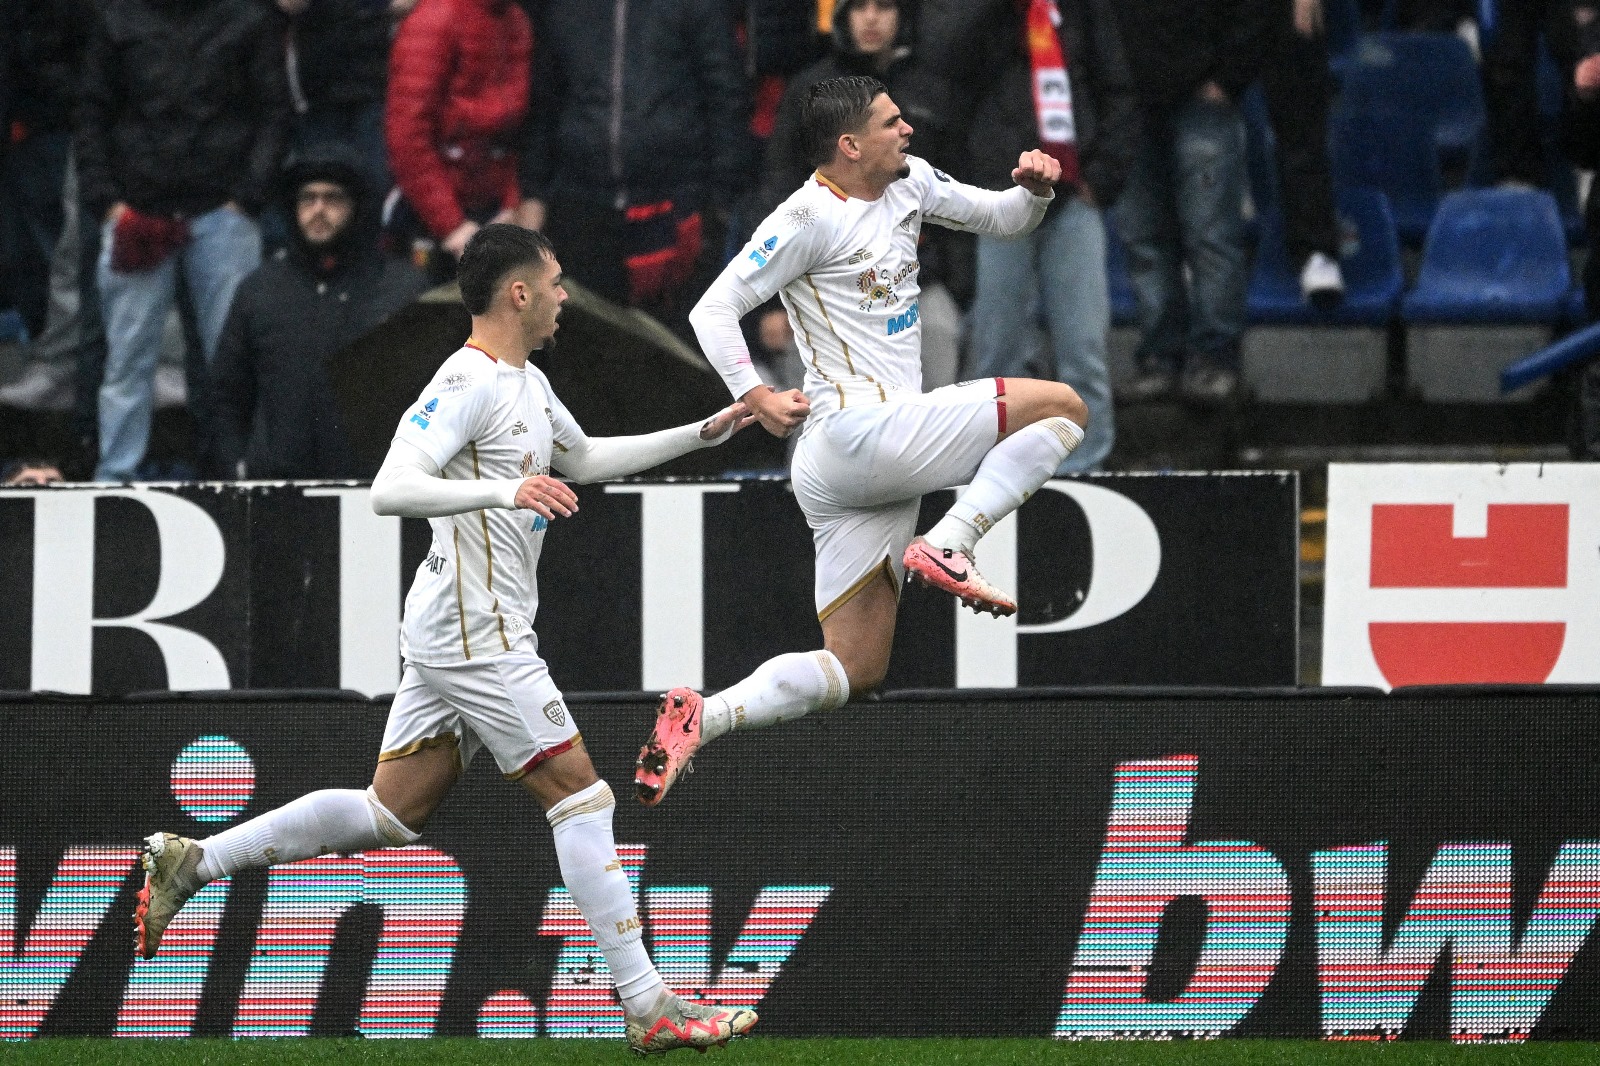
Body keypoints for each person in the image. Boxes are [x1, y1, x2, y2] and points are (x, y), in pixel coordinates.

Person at [134, 225, 759, 1055]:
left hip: (461, 622)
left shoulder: (527, 381)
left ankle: (195, 861)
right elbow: (391, 490)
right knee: (583, 796)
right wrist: (507, 490)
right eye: (558, 280)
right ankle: (650, 1005)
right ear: (520, 293)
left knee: (391, 813)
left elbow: (586, 459)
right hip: (476, 630)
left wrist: (707, 431)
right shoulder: (465, 378)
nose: (568, 295)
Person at [633, 75, 1088, 806]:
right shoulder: (807, 216)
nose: (907, 129)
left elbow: (1002, 219)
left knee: (855, 665)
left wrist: (1032, 190)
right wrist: (754, 392)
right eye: (890, 122)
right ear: (849, 146)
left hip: (856, 458)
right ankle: (955, 540)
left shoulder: (911, 183)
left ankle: (705, 716)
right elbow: (713, 310)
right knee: (1062, 407)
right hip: (858, 431)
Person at [76, 0, 290, 481]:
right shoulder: (116, 18)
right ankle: (115, 476)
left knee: (232, 358)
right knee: (126, 358)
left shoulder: (249, 18)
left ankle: (237, 473)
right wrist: (107, 202)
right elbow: (90, 114)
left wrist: (247, 198)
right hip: (139, 213)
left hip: (221, 213)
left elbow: (275, 112)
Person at [924, 0, 1139, 472]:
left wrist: (1103, 176)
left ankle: (1087, 466)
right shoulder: (982, 12)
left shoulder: (1086, 9)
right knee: (997, 346)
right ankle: (985, 466)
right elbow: (946, 62)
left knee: (1084, 346)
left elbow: (1118, 89)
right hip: (1002, 197)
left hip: (1074, 195)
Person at [755, 0, 965, 394]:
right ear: (841, 17)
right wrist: (772, 303)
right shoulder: (810, 92)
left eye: (885, 6)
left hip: (917, 279)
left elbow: (955, 194)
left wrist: (957, 283)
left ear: (903, 15)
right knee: (815, 422)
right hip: (825, 284)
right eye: (859, 7)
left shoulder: (932, 91)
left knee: (938, 386)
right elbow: (778, 196)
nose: (871, 17)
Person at [515, 0, 752, 313]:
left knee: (670, 347)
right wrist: (534, 192)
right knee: (585, 341)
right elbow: (544, 101)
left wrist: (719, 201)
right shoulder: (563, 7)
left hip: (674, 204)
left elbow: (726, 97)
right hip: (580, 203)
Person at [209, 147, 427, 479]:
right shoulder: (260, 290)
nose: (318, 210)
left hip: (375, 488)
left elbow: (437, 395)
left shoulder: (402, 288)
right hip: (277, 488)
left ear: (357, 207)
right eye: (307, 199)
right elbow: (227, 391)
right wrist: (237, 465)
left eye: (333, 199)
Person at [1112, 0, 1264, 406]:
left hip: (1201, 98)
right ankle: (1161, 357)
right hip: (1130, 105)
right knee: (1143, 239)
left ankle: (1216, 359)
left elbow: (1254, 13)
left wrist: (1229, 80)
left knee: (1211, 237)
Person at [384, 0, 530, 274]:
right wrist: (452, 226)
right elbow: (407, 136)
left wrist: (511, 205)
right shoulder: (434, 19)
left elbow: (514, 134)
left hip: (491, 210)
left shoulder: (517, 21)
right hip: (430, 212)